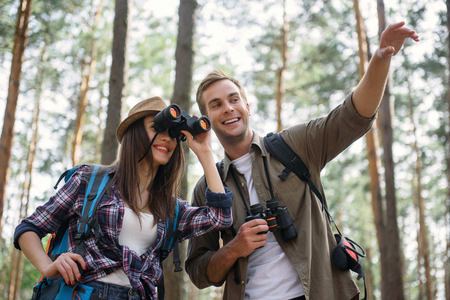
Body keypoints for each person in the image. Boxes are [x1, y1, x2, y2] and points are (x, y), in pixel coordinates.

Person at [185, 21, 419, 300]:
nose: (228, 108)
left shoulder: (293, 145)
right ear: (206, 120)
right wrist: (234, 248)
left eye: (234, 99)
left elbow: (353, 117)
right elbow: (199, 272)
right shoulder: (206, 188)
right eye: (216, 104)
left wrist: (380, 59)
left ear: (247, 107)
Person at [14, 96, 233, 299]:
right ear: (134, 133)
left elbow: (220, 216)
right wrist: (47, 266)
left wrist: (204, 151)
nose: (167, 138)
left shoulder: (171, 208)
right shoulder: (89, 181)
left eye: (174, 134)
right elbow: (29, 228)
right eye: (158, 128)